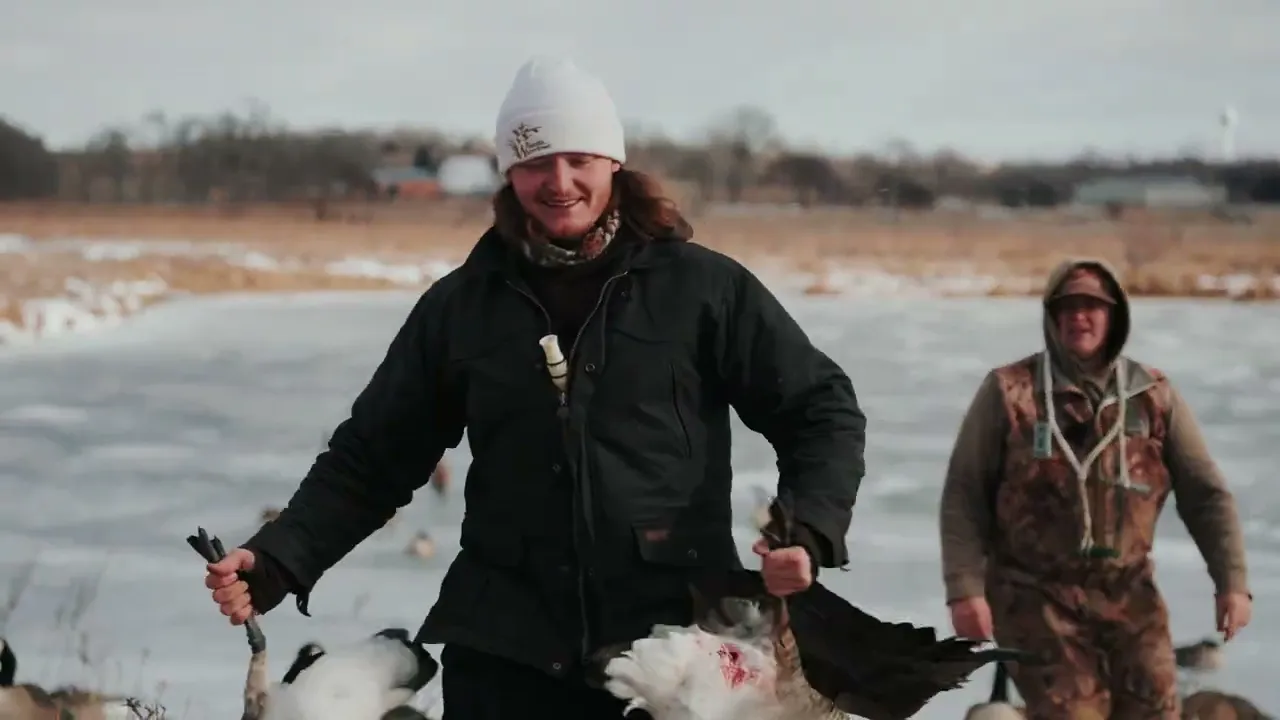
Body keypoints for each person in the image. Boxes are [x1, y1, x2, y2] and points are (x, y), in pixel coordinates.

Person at [204, 56, 867, 718]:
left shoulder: (702, 290)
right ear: (508, 171)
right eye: (534, 160)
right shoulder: (463, 307)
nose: (559, 181)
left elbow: (820, 409)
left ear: (614, 161)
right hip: (504, 653)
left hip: (669, 653)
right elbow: (371, 459)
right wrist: (276, 562)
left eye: (579, 158)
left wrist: (804, 530)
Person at [938, 259, 1253, 719]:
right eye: (1066, 307)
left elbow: (1206, 495)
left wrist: (1233, 582)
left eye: (1092, 306)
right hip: (1035, 597)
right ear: (1051, 316)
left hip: (1130, 593)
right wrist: (964, 589)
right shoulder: (1009, 392)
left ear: (1115, 316)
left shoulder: (1153, 396)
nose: (1078, 317)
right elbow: (964, 495)